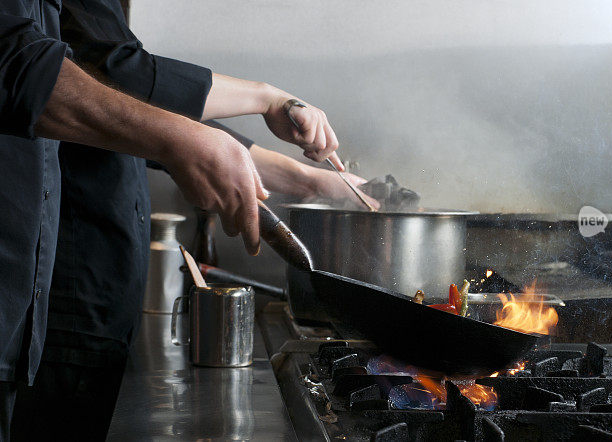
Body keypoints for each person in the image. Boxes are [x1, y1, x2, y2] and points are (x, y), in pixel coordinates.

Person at [8, 1, 378, 440]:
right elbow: (118, 71)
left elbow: (150, 113)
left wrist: (311, 182)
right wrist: (263, 96)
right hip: (72, 289)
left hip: (92, 291)